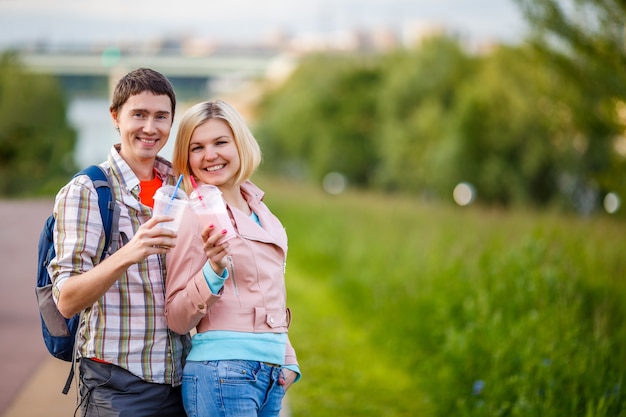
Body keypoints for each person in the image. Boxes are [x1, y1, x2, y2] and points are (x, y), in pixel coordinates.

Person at [48, 68, 189, 416]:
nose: (150, 128)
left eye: (161, 117)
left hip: (183, 379)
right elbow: (66, 300)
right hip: (119, 385)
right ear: (115, 116)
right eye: (138, 114)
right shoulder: (88, 191)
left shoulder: (180, 183)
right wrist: (130, 252)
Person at [166, 100, 301, 417]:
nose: (209, 155)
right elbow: (176, 317)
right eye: (197, 147)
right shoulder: (192, 216)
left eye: (220, 142)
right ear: (187, 158)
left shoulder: (261, 211)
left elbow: (271, 292)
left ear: (240, 144)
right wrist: (213, 271)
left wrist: (288, 359)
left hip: (270, 373)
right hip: (222, 372)